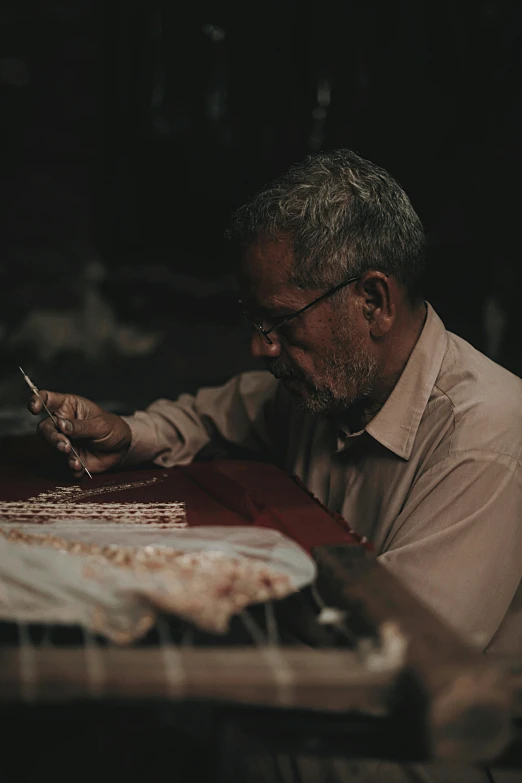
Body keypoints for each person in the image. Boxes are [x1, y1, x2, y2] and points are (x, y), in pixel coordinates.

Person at [30, 149, 522, 663]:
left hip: (399, 729)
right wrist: (125, 435)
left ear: (373, 303)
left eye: (282, 322)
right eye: (256, 322)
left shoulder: (486, 435)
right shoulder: (325, 386)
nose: (261, 348)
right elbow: (206, 416)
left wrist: (217, 580)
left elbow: (402, 647)